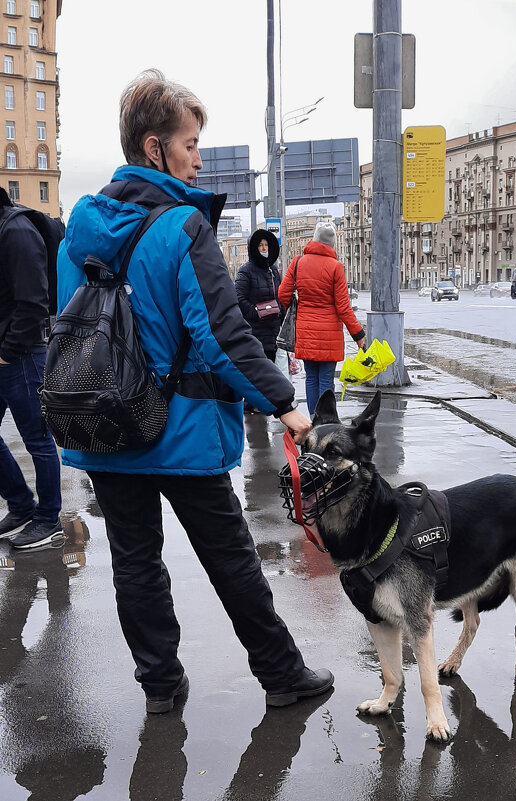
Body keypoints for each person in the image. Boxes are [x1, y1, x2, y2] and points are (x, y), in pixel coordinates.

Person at [56, 69, 333, 714]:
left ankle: (160, 689)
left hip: (104, 425)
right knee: (231, 559)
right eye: (189, 143)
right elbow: (223, 338)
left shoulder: (81, 230)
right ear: (155, 149)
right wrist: (285, 404)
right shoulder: (183, 229)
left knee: (135, 563)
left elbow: (62, 327)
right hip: (182, 429)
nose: (198, 157)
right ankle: (283, 676)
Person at [0, 187, 63, 550]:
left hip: (20, 356)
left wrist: (7, 352)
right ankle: (21, 506)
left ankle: (48, 519)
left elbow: (33, 302)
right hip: (6, 353)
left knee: (38, 440)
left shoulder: (15, 230)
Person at [278, 221, 365, 415]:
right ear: (332, 244)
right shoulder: (336, 267)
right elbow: (343, 307)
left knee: (311, 378)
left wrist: (296, 310)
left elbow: (283, 294)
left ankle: (312, 421)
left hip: (305, 331)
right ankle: (325, 421)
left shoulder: (298, 262)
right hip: (329, 335)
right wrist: (358, 335)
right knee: (326, 380)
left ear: (314, 239)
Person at [235, 229, 286, 412]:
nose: (263, 248)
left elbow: (279, 294)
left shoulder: (272, 270)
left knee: (269, 368)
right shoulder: (246, 271)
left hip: (272, 328)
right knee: (257, 369)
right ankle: (251, 404)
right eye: (260, 245)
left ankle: (263, 402)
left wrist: (280, 311)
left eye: (266, 245)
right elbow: (238, 298)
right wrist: (255, 313)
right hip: (255, 330)